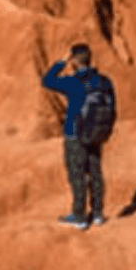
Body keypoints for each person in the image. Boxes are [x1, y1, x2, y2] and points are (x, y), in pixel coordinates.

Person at [41, 42, 115, 230]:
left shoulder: (72, 82)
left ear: (74, 61)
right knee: (96, 173)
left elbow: (47, 80)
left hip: (74, 134)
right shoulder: (104, 81)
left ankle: (79, 216)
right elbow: (113, 107)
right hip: (96, 133)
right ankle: (98, 213)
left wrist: (63, 61)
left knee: (77, 174)